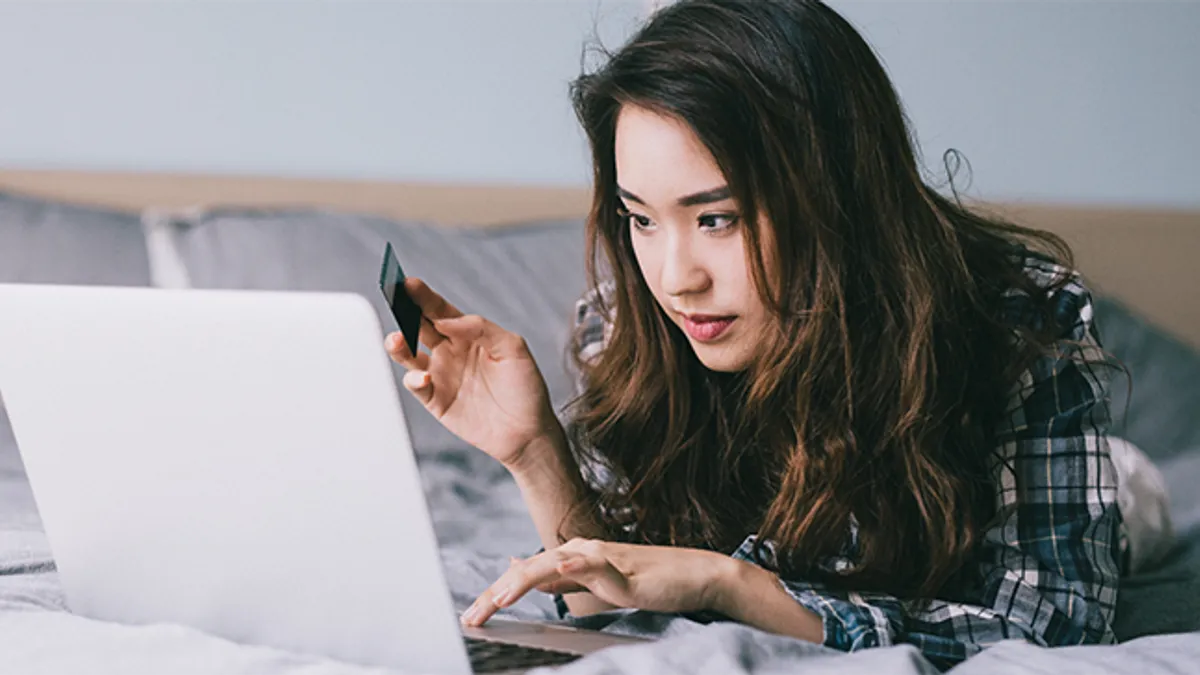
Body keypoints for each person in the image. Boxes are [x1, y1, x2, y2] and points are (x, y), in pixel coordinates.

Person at [385, 0, 1124, 668]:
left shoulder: (1016, 322)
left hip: (1040, 476)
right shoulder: (627, 327)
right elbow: (617, 586)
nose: (676, 278)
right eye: (641, 218)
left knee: (1136, 504)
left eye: (718, 217)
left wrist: (734, 584)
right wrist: (535, 450)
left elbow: (1061, 628)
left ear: (835, 196)